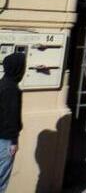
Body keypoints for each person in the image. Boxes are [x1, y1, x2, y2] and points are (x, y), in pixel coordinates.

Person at [0, 52, 25, 193]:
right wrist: (14, 141)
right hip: (5, 141)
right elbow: (11, 117)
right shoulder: (12, 89)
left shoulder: (1, 84)